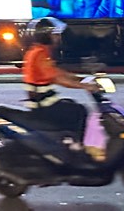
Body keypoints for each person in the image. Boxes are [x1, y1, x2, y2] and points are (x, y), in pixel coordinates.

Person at [21, 17, 102, 159]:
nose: (57, 38)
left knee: (71, 105)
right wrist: (84, 86)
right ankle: (77, 147)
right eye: (55, 34)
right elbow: (57, 78)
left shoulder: (40, 52)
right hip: (43, 104)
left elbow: (58, 72)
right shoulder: (39, 54)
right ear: (46, 35)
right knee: (79, 111)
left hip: (46, 101)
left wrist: (81, 78)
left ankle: (69, 142)